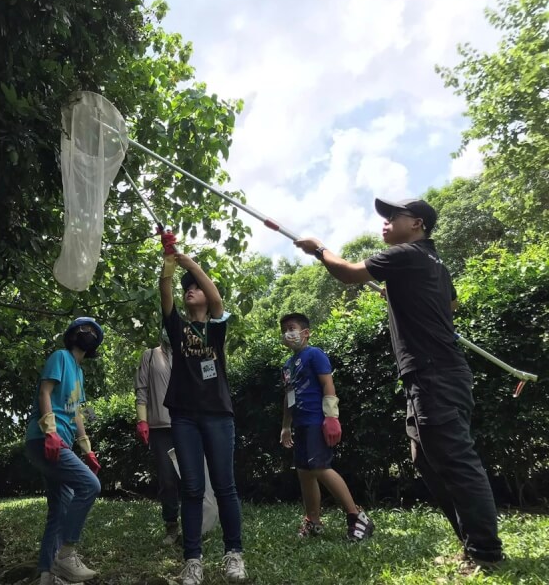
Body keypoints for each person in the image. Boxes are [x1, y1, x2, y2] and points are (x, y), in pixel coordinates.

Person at [294, 198, 504, 571]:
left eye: (393, 218)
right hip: (433, 373)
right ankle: (471, 542)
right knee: (424, 457)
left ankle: (485, 552)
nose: (386, 223)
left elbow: (346, 272)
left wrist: (319, 249)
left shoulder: (408, 253)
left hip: (433, 372)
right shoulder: (432, 263)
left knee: (457, 461)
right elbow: (450, 306)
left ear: (417, 223)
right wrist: (401, 293)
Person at [158, 232, 248, 585]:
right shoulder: (178, 327)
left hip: (218, 415)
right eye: (186, 288)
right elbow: (165, 296)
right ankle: (192, 560)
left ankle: (234, 555)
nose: (189, 290)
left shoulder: (216, 326)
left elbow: (217, 298)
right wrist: (169, 262)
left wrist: (189, 263)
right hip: (184, 415)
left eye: (194, 287)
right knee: (193, 488)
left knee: (225, 487)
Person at [278, 312, 374, 540]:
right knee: (304, 473)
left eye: (291, 328)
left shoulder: (315, 354)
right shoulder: (288, 364)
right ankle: (313, 521)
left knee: (320, 468)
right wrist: (286, 426)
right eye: (284, 330)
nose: (287, 334)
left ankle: (357, 516)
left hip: (315, 420)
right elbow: (288, 395)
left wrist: (331, 417)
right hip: (300, 424)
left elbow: (327, 384)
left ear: (305, 332)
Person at [24, 317, 104, 585]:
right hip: (45, 439)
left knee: (60, 508)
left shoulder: (79, 373)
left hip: (59, 442)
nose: (88, 333)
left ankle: (47, 575)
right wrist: (50, 432)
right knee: (90, 486)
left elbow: (77, 413)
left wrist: (87, 449)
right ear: (72, 335)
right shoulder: (60, 357)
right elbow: (45, 393)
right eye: (83, 329)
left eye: (93, 331)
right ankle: (67, 554)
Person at [134, 330, 181, 545]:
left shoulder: (187, 352)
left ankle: (196, 523)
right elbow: (141, 389)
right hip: (160, 427)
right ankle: (171, 526)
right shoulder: (150, 355)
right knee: (167, 479)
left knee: (192, 477)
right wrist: (142, 420)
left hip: (187, 424)